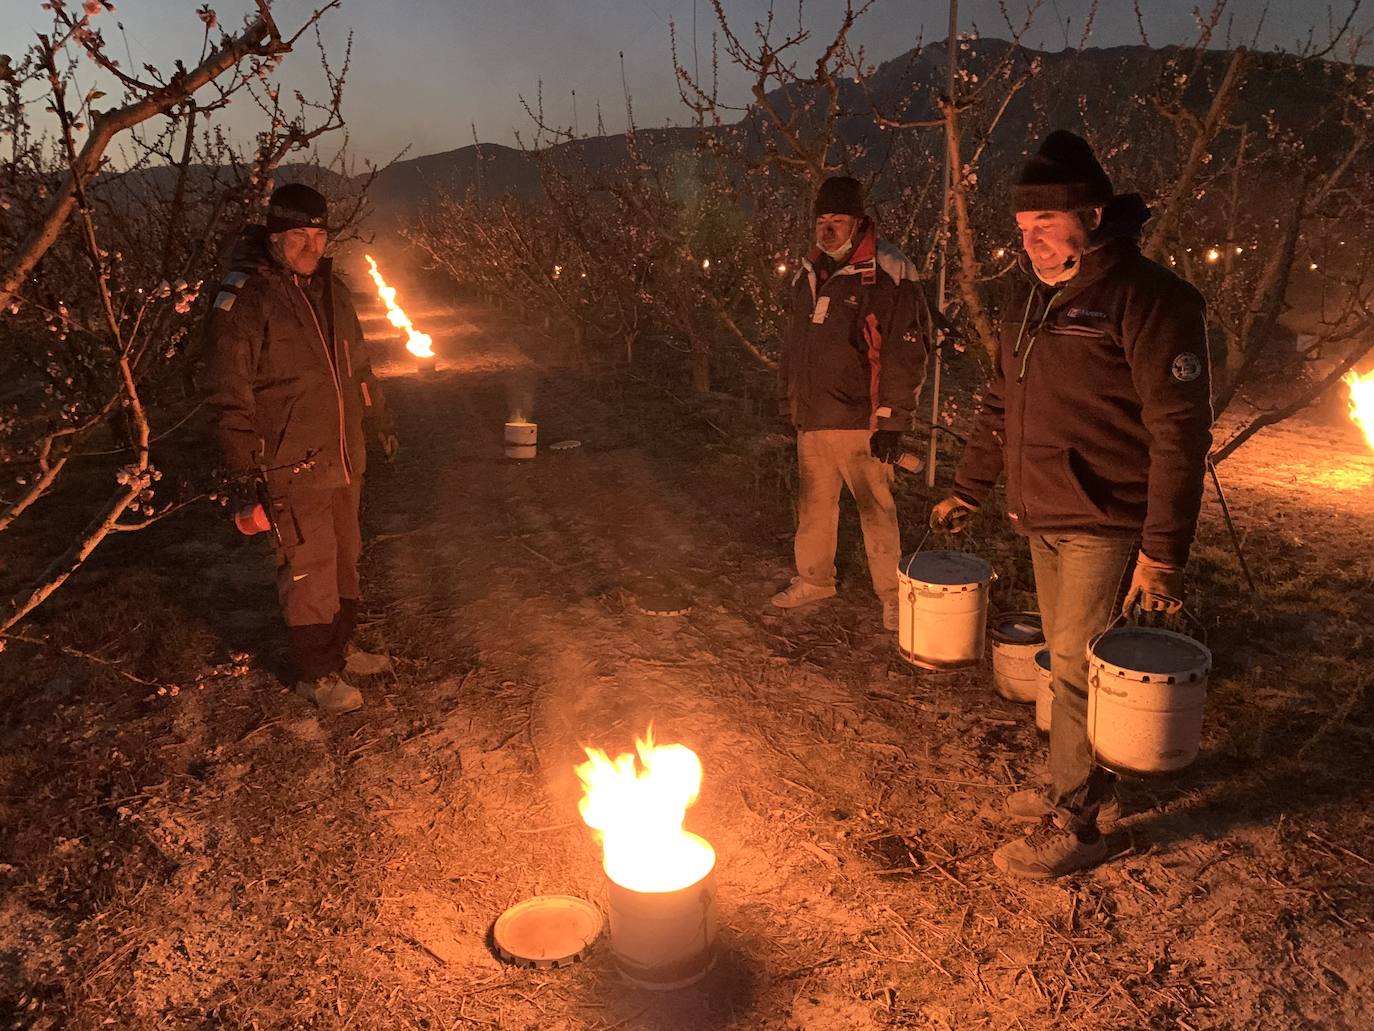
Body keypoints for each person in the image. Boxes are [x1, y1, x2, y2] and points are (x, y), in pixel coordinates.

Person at [931, 131, 1213, 878]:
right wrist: (970, 486)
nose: (1028, 244)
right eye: (1021, 230)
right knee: (1066, 662)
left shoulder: (1150, 300)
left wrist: (1161, 552)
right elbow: (1001, 402)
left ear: (1091, 214)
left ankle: (1081, 825)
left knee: (1075, 671)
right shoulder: (1032, 302)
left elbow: (1179, 433)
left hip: (1105, 515)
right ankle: (1079, 784)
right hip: (1044, 511)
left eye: (1043, 228)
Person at [205, 183, 399, 715]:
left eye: (319, 235)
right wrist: (244, 476)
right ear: (273, 235)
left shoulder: (332, 289)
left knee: (344, 555)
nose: (311, 247)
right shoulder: (248, 297)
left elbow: (356, 363)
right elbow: (228, 392)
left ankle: (340, 647)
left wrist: (376, 414)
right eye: (299, 236)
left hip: (342, 451)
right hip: (291, 459)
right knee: (308, 564)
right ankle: (316, 673)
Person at [772, 175, 927, 632]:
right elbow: (794, 343)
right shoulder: (810, 271)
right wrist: (789, 404)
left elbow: (904, 350)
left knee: (876, 509)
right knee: (813, 507)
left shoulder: (887, 271)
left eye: (837, 220)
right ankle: (815, 580)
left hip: (862, 419)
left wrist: (893, 419)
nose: (827, 228)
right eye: (822, 220)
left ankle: (893, 597)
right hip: (814, 419)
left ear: (858, 222)